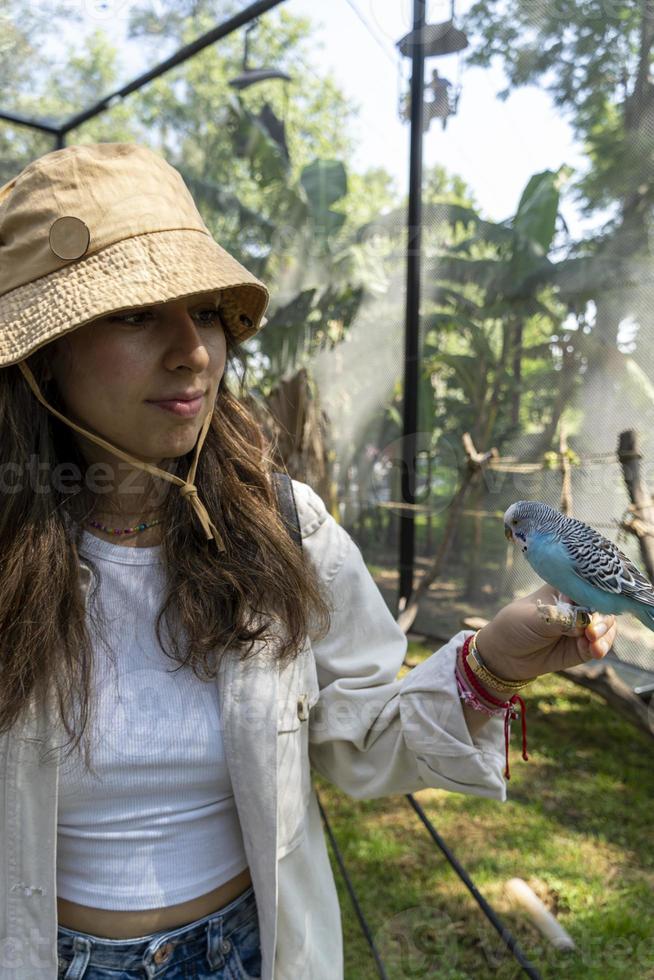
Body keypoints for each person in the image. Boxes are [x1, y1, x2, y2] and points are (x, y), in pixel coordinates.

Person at [0, 142, 616, 980]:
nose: (193, 351)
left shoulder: (282, 525)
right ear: (43, 353)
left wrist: (490, 665)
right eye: (137, 313)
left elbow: (359, 737)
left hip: (248, 956)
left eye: (207, 312)